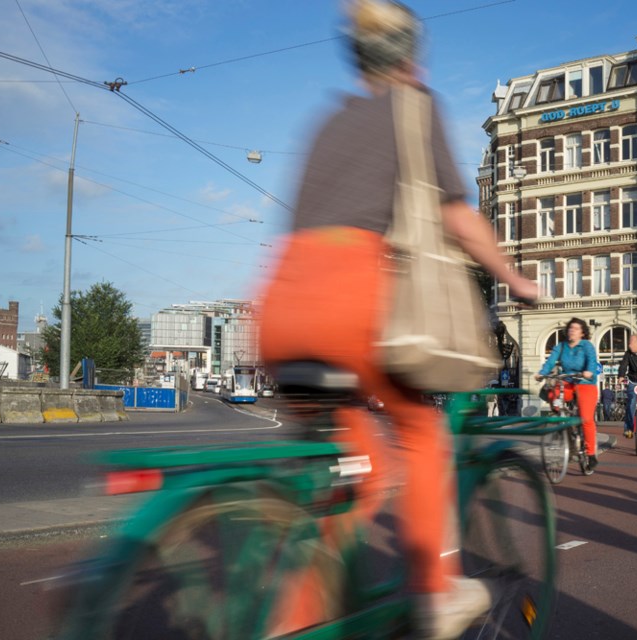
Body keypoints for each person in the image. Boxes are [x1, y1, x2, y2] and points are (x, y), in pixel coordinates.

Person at [257, 2, 537, 636]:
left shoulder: (327, 122)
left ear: (356, 59)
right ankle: (435, 588)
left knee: (354, 468)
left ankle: (288, 619)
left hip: (279, 308)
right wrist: (514, 278)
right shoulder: (415, 104)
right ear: (411, 57)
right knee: (422, 436)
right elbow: (458, 217)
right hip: (347, 301)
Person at [535, 318, 601, 469]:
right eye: (571, 328)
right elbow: (551, 361)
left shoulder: (587, 346)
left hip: (585, 383)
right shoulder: (561, 346)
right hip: (568, 382)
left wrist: (589, 372)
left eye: (576, 329)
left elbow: (592, 360)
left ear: (582, 333)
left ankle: (591, 454)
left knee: (586, 419)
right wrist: (542, 373)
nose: (572, 330)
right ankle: (562, 423)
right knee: (553, 394)